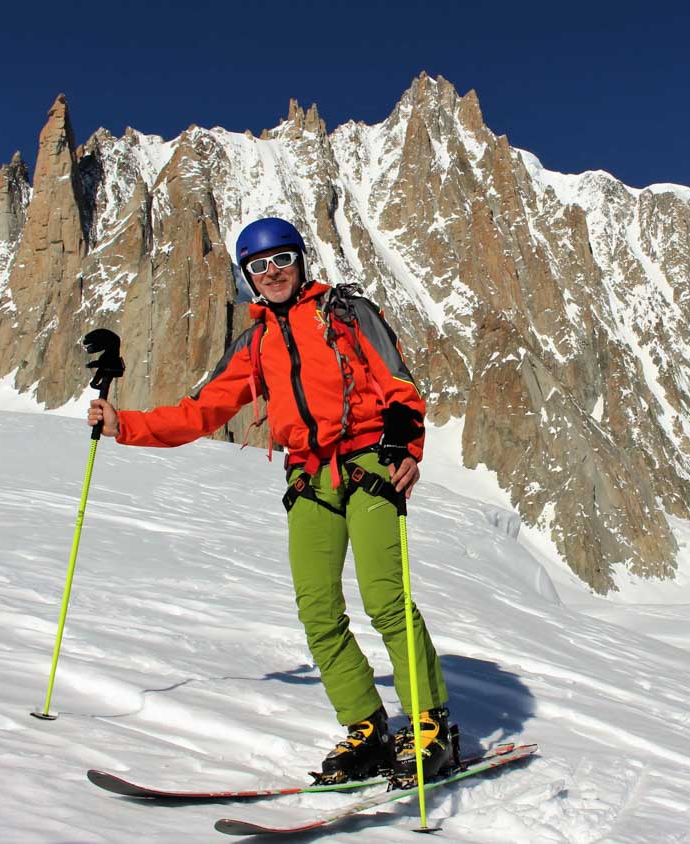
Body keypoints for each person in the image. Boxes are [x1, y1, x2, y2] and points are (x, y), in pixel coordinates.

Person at [87, 217, 453, 783]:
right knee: (318, 612)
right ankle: (367, 728)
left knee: (384, 598)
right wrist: (124, 425)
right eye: (258, 266)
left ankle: (430, 726)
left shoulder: (346, 313)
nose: (272, 272)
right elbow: (201, 410)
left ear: (300, 260)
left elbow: (398, 385)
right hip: (308, 479)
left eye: (281, 259)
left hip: (369, 465)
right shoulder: (255, 342)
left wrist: (406, 444)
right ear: (248, 278)